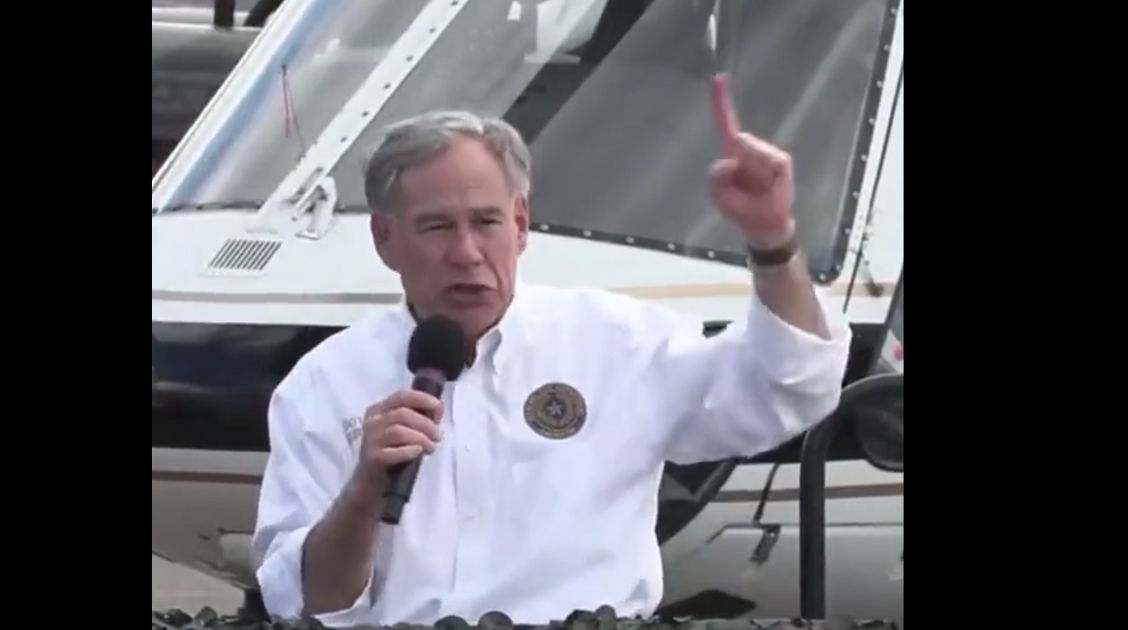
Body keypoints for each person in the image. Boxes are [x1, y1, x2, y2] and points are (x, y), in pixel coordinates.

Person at [251, 95, 852, 625]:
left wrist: (774, 240)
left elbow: (790, 388)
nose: (466, 253)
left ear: (520, 224)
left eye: (486, 222)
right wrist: (362, 495)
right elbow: (303, 604)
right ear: (386, 240)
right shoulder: (326, 384)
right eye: (435, 226)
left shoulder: (614, 342)